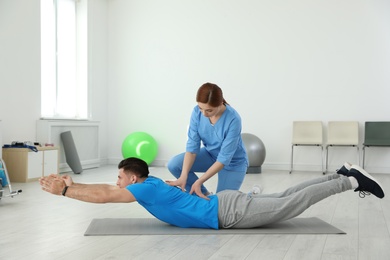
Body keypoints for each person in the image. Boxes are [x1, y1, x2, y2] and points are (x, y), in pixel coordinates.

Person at [40, 157, 385, 230]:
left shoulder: (144, 190)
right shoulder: (154, 183)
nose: (116, 182)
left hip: (226, 213)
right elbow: (104, 189)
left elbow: (105, 194)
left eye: (119, 177)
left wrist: (65, 193)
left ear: (132, 176)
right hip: (225, 201)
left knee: (291, 203)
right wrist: (70, 185)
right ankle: (340, 173)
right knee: (287, 194)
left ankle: (351, 182)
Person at [166, 82, 249, 199]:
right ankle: (204, 194)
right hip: (210, 155)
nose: (204, 114)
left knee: (221, 203)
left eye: (209, 110)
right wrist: (183, 176)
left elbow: (224, 158)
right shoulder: (196, 112)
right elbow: (192, 148)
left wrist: (199, 181)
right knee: (174, 164)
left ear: (220, 103)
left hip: (233, 163)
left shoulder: (233, 119)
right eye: (201, 109)